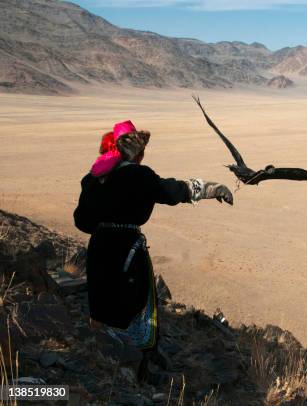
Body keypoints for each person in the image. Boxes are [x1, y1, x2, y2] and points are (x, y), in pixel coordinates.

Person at [73, 120, 233, 381]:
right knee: (133, 302)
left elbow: (81, 221)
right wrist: (210, 189)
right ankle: (138, 368)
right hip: (127, 250)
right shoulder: (139, 175)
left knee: (102, 301)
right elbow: (172, 191)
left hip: (99, 249)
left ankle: (104, 361)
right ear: (137, 152)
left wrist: (105, 224)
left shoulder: (91, 179)